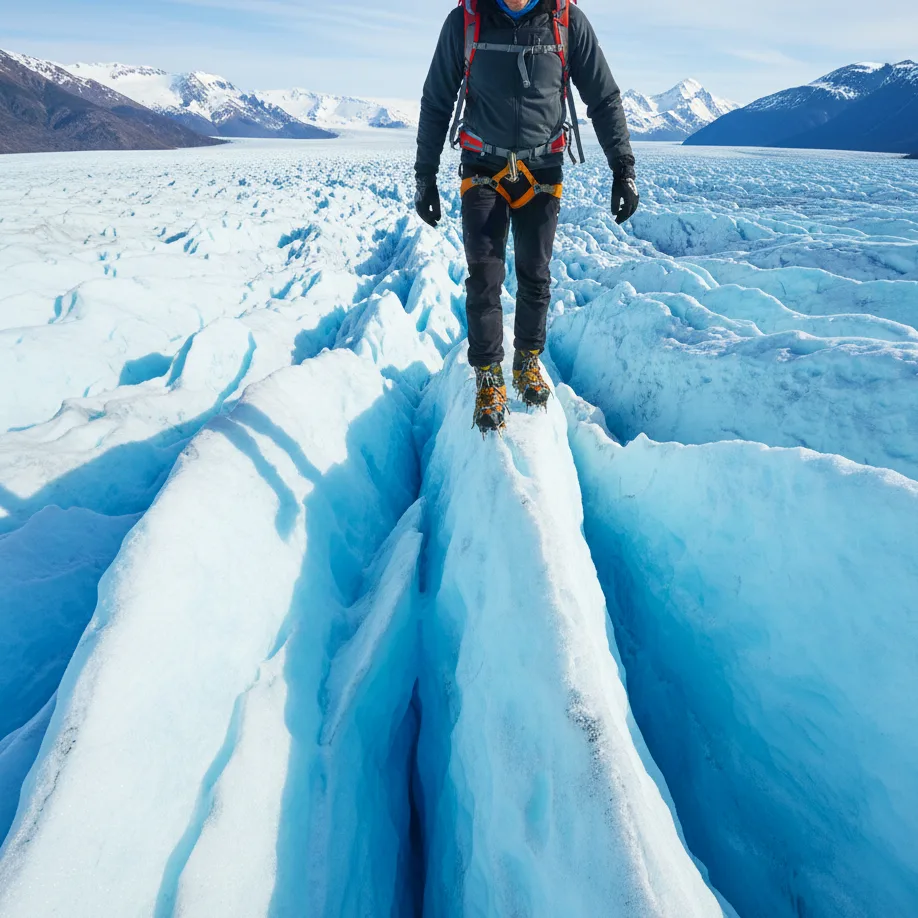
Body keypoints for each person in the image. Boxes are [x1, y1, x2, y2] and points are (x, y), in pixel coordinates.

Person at [414, 0, 639, 434]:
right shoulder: (466, 21)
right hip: (483, 168)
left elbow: (604, 97)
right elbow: (436, 100)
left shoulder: (567, 21)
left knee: (535, 274)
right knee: (484, 276)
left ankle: (527, 362)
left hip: (542, 169)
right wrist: (424, 174)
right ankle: (488, 376)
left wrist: (623, 168)